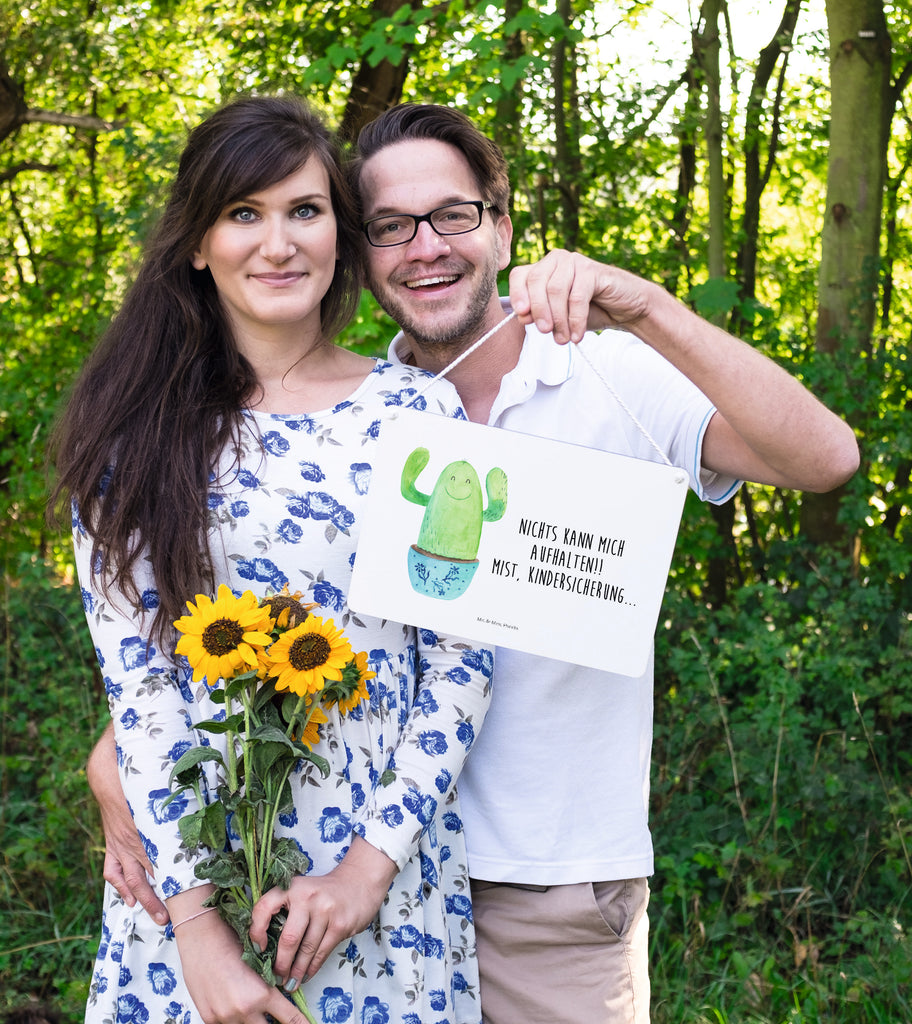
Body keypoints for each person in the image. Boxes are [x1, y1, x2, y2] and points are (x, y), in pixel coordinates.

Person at [90, 102, 860, 1024]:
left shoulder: (598, 374)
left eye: (453, 215)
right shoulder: (343, 416)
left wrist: (647, 306)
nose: (425, 247)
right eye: (390, 226)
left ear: (500, 225)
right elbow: (213, 636)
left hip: (537, 888)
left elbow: (825, 461)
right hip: (303, 875)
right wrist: (123, 772)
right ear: (362, 250)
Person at [51, 96, 497, 1024]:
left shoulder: (421, 417)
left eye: (305, 210)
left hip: (379, 886)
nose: (279, 243)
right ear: (197, 244)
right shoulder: (132, 439)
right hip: (191, 883)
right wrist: (199, 936)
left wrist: (366, 873)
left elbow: (462, 660)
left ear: (340, 229)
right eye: (243, 214)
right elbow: (141, 691)